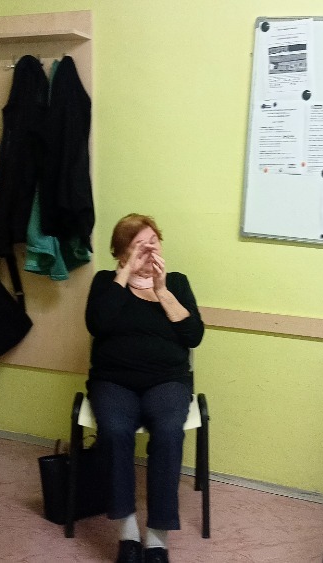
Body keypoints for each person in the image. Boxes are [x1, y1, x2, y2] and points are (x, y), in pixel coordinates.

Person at [85, 214, 204, 563]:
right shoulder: (106, 282)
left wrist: (162, 290)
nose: (150, 249)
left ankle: (157, 539)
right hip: (113, 380)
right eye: (140, 245)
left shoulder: (177, 283)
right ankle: (128, 535)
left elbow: (193, 335)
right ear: (122, 252)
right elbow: (98, 324)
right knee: (114, 431)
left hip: (167, 380)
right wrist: (124, 276)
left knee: (168, 432)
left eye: (154, 241)